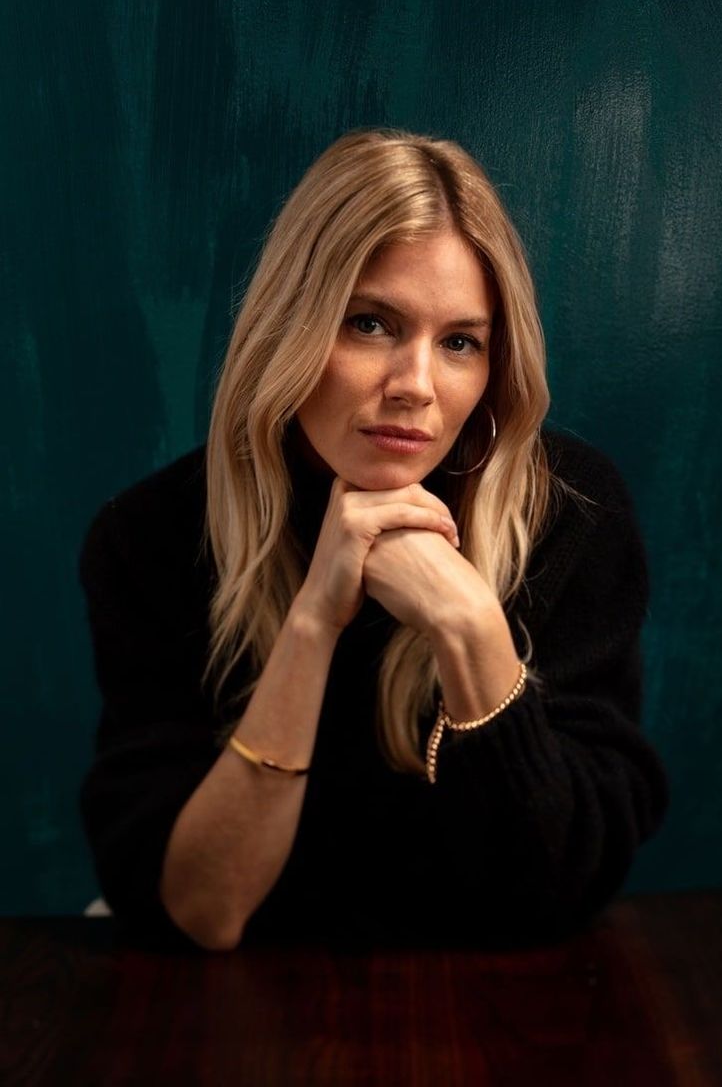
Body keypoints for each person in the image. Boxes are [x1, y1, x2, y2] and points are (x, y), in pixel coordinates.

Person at [78, 127, 670, 953]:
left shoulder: (571, 515)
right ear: (292, 328)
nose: (416, 387)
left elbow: (556, 892)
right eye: (370, 324)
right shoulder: (151, 537)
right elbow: (202, 911)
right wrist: (314, 623)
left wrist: (469, 625)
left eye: (460, 342)